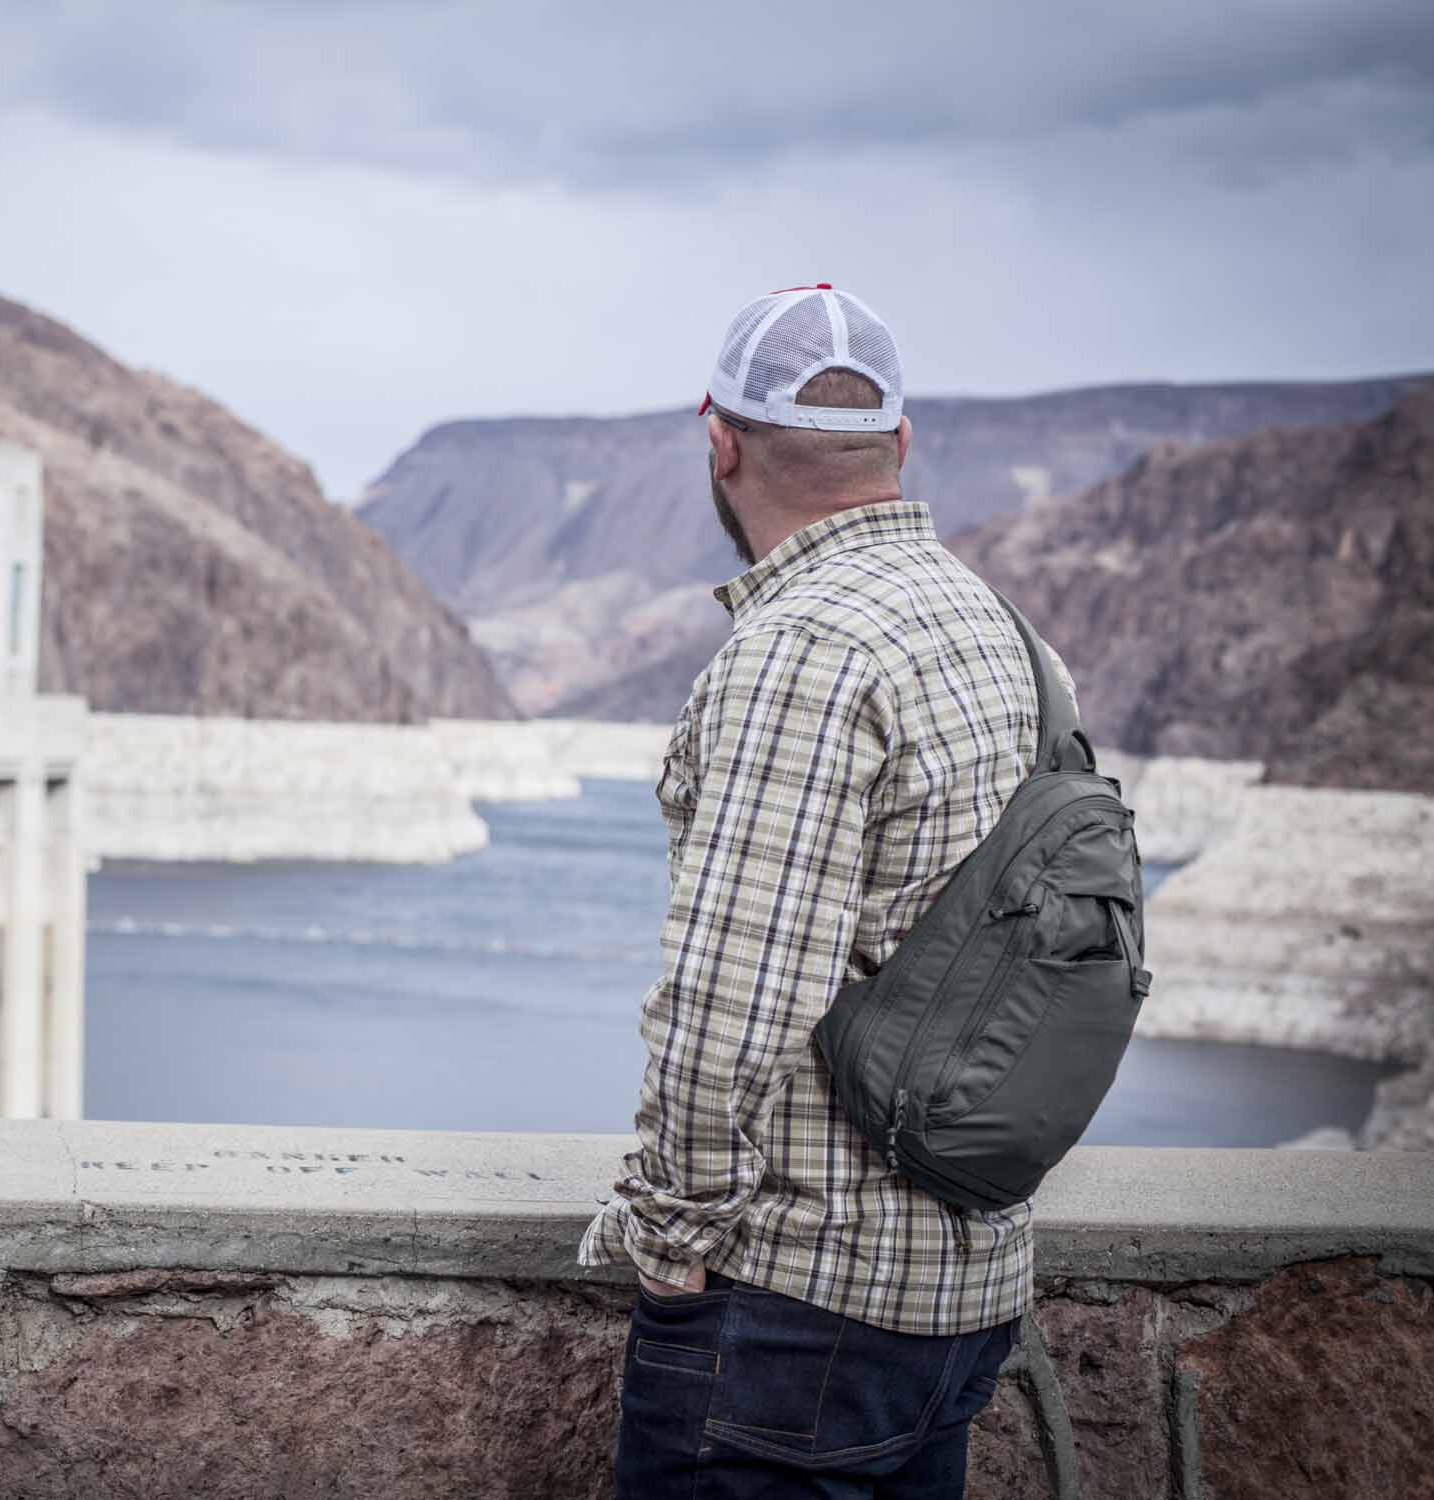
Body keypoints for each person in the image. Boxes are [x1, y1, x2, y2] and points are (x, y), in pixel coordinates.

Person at [579, 284, 1062, 1498]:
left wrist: (673, 1251)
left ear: (718, 438)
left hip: (797, 1314)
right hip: (963, 1292)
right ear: (901, 445)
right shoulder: (1006, 633)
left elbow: (734, 998)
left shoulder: (805, 650)